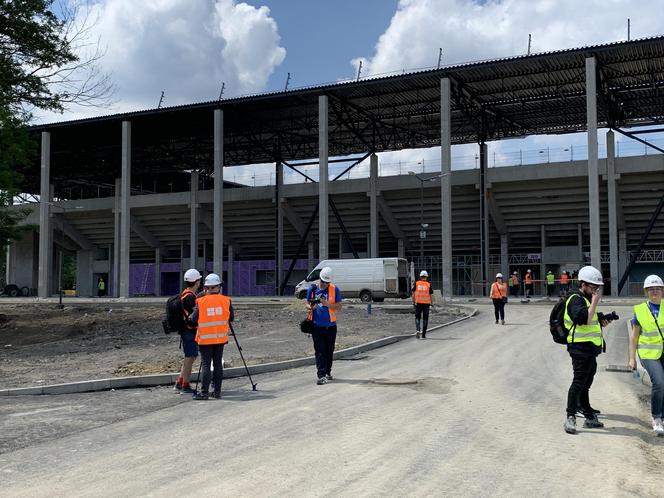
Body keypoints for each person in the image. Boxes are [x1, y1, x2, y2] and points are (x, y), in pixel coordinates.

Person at [563, 265, 608, 434]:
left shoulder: (586, 299)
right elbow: (584, 320)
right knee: (579, 381)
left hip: (589, 349)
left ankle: (588, 414)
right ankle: (570, 417)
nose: (596, 290)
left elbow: (592, 320)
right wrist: (595, 302)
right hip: (579, 348)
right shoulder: (575, 299)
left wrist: (603, 318)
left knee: (586, 381)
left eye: (597, 287)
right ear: (583, 284)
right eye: (593, 287)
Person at [188, 273, 233, 400]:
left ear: (207, 288)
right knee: (217, 364)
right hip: (220, 338)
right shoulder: (226, 300)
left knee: (206, 365)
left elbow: (192, 319)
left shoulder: (200, 302)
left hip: (205, 339)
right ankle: (217, 392)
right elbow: (231, 318)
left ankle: (204, 393)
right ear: (218, 287)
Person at [629, 274, 664, 436]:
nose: (654, 291)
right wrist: (631, 359)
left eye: (657, 288)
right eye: (651, 289)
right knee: (659, 382)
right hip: (648, 353)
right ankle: (657, 418)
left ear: (662, 290)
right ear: (646, 292)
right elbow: (634, 337)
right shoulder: (641, 310)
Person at [306, 266, 343, 385]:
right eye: (322, 281)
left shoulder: (334, 289)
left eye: (326, 282)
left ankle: (328, 372)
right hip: (317, 326)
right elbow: (307, 304)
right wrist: (312, 307)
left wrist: (328, 304)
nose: (324, 284)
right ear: (319, 279)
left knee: (329, 350)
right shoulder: (312, 289)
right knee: (320, 351)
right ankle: (321, 375)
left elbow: (339, 306)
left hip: (331, 326)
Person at [173, 268, 202, 394]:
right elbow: (195, 314)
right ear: (196, 282)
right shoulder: (189, 297)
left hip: (187, 331)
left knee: (190, 356)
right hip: (189, 331)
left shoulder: (185, 294)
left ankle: (179, 382)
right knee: (190, 358)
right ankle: (185, 385)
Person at [412, 270, 434, 338]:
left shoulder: (416, 283)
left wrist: (413, 302)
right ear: (426, 277)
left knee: (417, 317)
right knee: (425, 318)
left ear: (420, 276)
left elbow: (413, 294)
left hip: (418, 303)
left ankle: (418, 330)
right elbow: (431, 295)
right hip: (426, 304)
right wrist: (432, 303)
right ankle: (423, 334)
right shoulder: (429, 284)